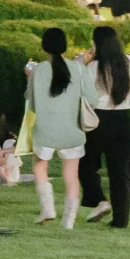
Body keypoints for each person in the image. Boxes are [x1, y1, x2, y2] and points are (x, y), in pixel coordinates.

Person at [24, 25, 94, 228]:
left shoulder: (38, 70)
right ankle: (68, 221)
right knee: (71, 175)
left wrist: (29, 77)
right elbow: (92, 98)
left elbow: (31, 101)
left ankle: (48, 208)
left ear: (44, 46)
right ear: (65, 46)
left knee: (39, 167)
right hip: (72, 131)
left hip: (45, 130)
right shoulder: (79, 69)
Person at [79, 23, 130, 227]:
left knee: (86, 164)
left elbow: (86, 94)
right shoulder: (129, 60)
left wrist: (83, 61)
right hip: (124, 119)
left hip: (99, 119)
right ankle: (121, 219)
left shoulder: (94, 67)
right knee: (121, 173)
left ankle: (99, 200)